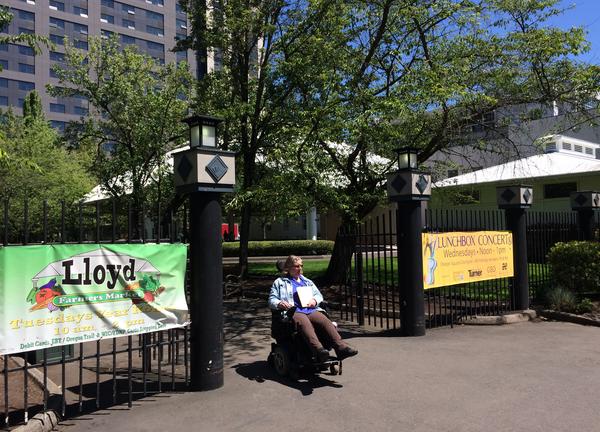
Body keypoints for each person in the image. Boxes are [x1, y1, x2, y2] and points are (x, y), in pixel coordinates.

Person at [268, 255, 358, 363]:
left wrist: (314, 301)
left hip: (309, 309)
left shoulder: (307, 281)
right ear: (288, 267)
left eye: (301, 266)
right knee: (305, 323)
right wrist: (279, 303)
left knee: (325, 321)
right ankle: (319, 350)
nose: (300, 268)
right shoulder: (280, 282)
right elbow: (271, 299)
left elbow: (318, 295)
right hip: (294, 310)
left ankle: (341, 347)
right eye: (296, 266)